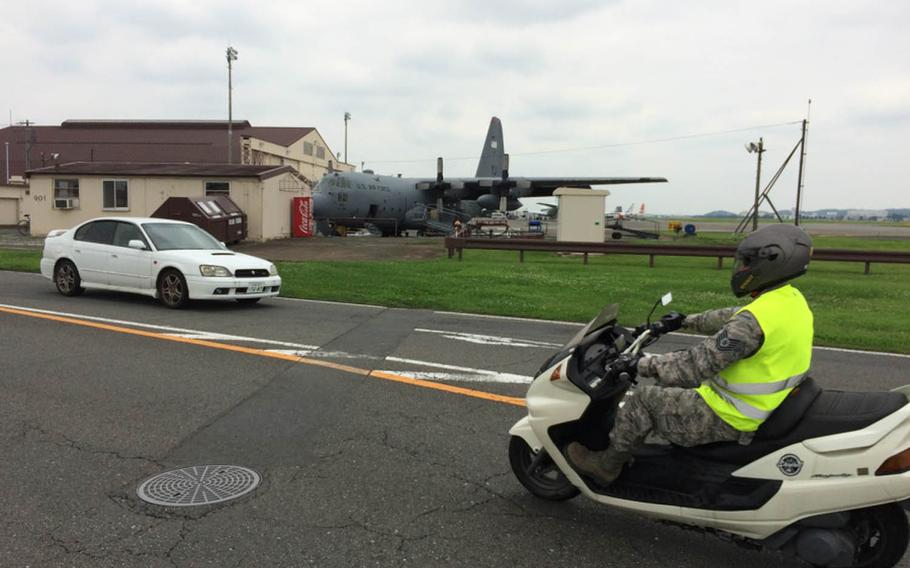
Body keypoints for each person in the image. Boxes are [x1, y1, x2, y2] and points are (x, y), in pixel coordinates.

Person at [566, 224, 815, 487]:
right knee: (668, 383)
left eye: (746, 263)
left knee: (644, 398)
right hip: (761, 407)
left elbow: (693, 366)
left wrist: (639, 364)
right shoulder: (788, 301)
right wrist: (683, 321)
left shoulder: (751, 324)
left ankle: (607, 466)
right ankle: (654, 445)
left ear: (770, 263)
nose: (741, 269)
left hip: (732, 416)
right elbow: (729, 316)